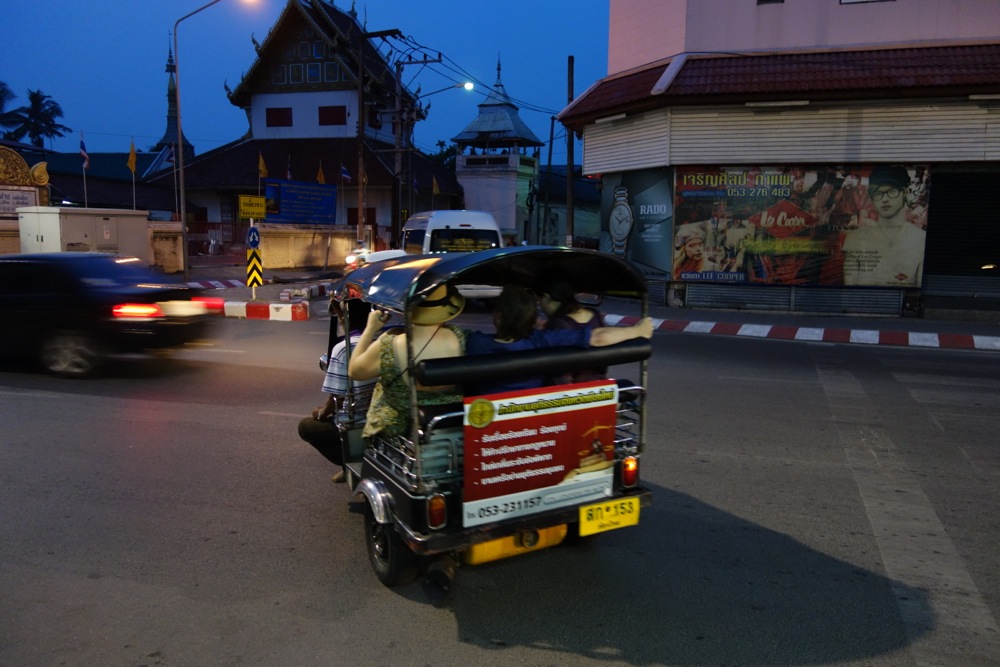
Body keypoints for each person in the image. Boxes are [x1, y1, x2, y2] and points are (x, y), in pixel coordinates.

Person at [464, 284, 654, 395]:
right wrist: (638, 330)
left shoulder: (475, 342)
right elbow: (598, 337)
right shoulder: (543, 340)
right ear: (532, 318)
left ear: (497, 316)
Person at [348, 284, 467, 440]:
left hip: (399, 433)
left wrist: (370, 329)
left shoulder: (389, 344)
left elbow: (355, 371)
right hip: (451, 426)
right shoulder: (460, 337)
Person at [297, 298, 376, 483]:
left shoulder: (343, 349)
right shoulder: (379, 342)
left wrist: (321, 414)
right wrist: (339, 311)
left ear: (346, 319)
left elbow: (337, 399)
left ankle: (347, 462)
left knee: (306, 426)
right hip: (375, 413)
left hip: (355, 420)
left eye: (343, 316)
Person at [841, 164, 926, 287]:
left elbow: (918, 292)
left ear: (905, 193)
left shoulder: (921, 239)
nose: (885, 199)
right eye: (878, 193)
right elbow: (850, 290)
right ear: (872, 198)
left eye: (892, 191)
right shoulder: (855, 238)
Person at [537, 277, 607, 385]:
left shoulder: (558, 324)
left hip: (572, 390)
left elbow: (559, 376)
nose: (540, 305)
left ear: (546, 298)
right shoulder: (595, 314)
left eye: (539, 300)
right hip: (599, 384)